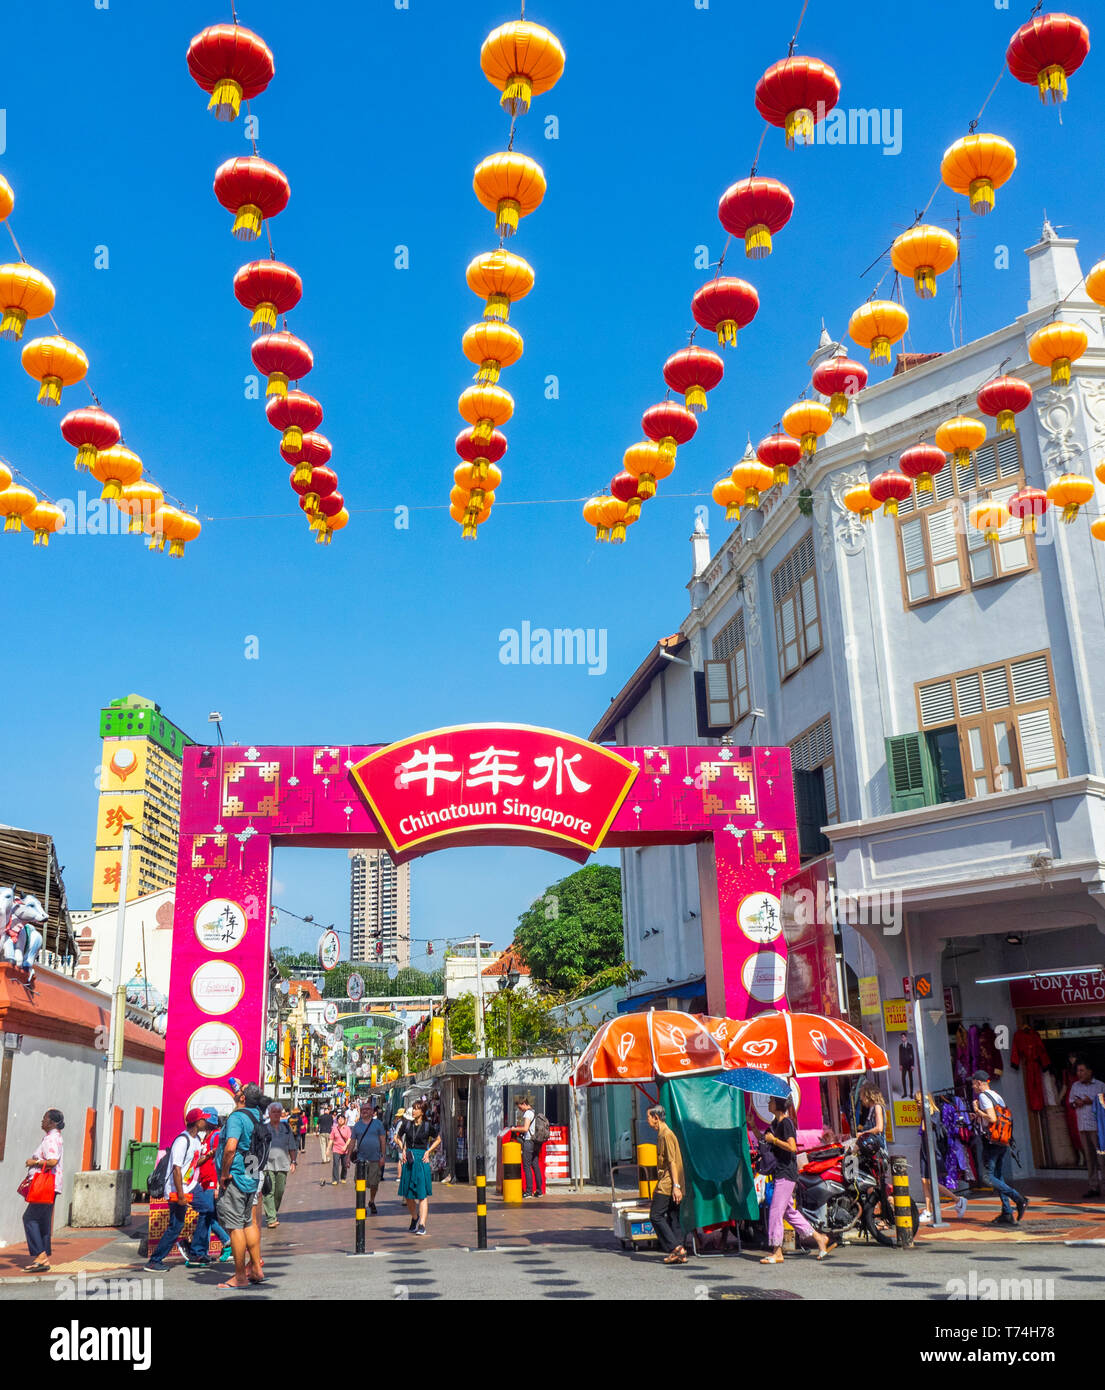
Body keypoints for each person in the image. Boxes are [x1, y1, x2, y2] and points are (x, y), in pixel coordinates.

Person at [759, 1096, 832, 1264]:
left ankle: (777, 1251)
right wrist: (754, 1127)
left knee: (776, 1211)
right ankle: (819, 1238)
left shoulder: (786, 1123)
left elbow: (792, 1147)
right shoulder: (775, 1124)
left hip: (786, 1173)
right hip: (780, 1172)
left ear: (777, 1104)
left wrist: (775, 1140)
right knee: (788, 1212)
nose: (768, 1103)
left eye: (770, 1100)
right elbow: (766, 1142)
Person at [216, 1082, 266, 1288]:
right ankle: (256, 1268)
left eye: (241, 1090)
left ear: (243, 1098)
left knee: (235, 1226)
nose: (237, 1090)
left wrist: (224, 1174)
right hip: (251, 1175)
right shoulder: (256, 1115)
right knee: (248, 1223)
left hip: (235, 1176)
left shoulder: (237, 1117)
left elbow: (230, 1147)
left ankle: (240, 1276)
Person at [144, 1109, 203, 1272]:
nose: (205, 1122)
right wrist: (181, 1195)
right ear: (197, 1122)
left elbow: (191, 1165)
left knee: (207, 1209)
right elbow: (177, 1170)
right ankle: (154, 1261)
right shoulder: (182, 1141)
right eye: (203, 1119)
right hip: (177, 1190)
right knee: (175, 1226)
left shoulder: (197, 1139)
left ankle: (196, 1250)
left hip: (188, 1187)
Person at [971, 1069, 1027, 1226]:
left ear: (979, 1083)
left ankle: (1019, 1199)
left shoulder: (982, 1096)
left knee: (988, 1178)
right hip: (1003, 1139)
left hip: (991, 1141)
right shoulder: (996, 1095)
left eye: (973, 1083)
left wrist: (977, 1111)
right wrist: (978, 1116)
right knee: (998, 1176)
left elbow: (993, 1118)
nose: (973, 1086)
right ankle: (1007, 1213)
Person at [186, 1109, 233, 1266]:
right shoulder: (205, 1138)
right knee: (208, 1215)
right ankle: (226, 1243)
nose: (202, 1122)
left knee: (205, 1214)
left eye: (205, 1119)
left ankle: (200, 1250)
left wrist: (219, 1184)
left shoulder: (216, 1136)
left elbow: (222, 1159)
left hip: (212, 1182)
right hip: (204, 1181)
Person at [645, 1104, 690, 1265]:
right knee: (672, 1216)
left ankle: (676, 1248)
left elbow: (672, 1162)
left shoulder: (666, 1135)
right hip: (671, 1181)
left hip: (668, 1182)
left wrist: (676, 1187)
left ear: (656, 1118)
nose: (647, 1121)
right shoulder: (662, 1134)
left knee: (655, 1215)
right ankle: (679, 1251)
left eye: (648, 1117)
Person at [22, 1108, 64, 1273]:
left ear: (52, 1122)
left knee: (29, 1218)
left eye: (44, 1118)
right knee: (43, 1220)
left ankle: (40, 1256)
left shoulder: (50, 1139)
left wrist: (34, 1162)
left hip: (45, 1184)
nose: (42, 1121)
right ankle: (43, 1255)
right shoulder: (57, 1137)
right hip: (52, 1185)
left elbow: (52, 1161)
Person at [915, 1092, 967, 1223]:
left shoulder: (934, 1114)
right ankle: (928, 1210)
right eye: (916, 1101)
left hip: (932, 1149)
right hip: (925, 1148)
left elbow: (926, 1128)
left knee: (932, 1181)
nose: (917, 1104)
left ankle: (958, 1200)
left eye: (919, 1101)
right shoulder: (924, 1114)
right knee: (924, 1180)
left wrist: (925, 1110)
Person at [397, 1098, 440, 1235]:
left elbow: (438, 1139)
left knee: (422, 1195)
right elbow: (397, 1137)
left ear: (422, 1111)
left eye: (416, 1108)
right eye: (413, 1108)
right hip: (409, 1159)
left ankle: (422, 1224)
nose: (414, 1111)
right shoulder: (406, 1125)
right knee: (408, 1195)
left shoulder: (428, 1126)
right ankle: (415, 1218)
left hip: (421, 1159)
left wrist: (428, 1151)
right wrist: (403, 1149)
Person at [1066, 1058, 1105, 1199]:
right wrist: (1077, 1103)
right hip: (1083, 1127)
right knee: (1090, 1159)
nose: (1079, 1073)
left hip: (1098, 1128)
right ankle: (1093, 1187)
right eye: (1078, 1071)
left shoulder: (1100, 1086)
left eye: (1082, 1070)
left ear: (1090, 1071)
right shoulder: (1075, 1086)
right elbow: (1070, 1102)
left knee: (1102, 1159)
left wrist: (1092, 1101)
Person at [262, 1101, 298, 1228]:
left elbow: (292, 1147)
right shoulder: (264, 1129)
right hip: (267, 1165)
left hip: (283, 1164)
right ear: (269, 1114)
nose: (276, 1114)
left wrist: (293, 1161)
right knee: (268, 1192)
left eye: (278, 1112)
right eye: (274, 1112)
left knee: (279, 1192)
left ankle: (272, 1211)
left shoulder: (286, 1128)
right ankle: (271, 1218)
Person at [349, 1101, 386, 1215]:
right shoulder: (357, 1125)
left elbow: (383, 1141)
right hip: (361, 1160)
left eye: (367, 1109)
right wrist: (347, 1157)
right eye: (363, 1109)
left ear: (372, 1112)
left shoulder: (378, 1124)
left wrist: (383, 1156)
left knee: (374, 1183)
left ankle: (372, 1201)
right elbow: (352, 1142)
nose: (365, 1111)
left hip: (375, 1158)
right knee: (361, 1184)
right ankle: (362, 1205)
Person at [514, 1096, 544, 1198]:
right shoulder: (534, 1112)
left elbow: (525, 1129)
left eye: (520, 1107)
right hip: (536, 1142)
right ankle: (539, 1191)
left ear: (524, 1104)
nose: (519, 1109)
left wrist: (514, 1129)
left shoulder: (527, 1113)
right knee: (535, 1165)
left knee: (526, 1166)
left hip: (529, 1142)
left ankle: (528, 1191)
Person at [854, 1083, 887, 1149]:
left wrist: (863, 1134)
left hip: (877, 1148)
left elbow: (879, 1128)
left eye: (862, 1095)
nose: (860, 1098)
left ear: (867, 1095)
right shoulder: (871, 1109)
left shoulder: (877, 1107)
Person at [330, 1110, 352, 1185]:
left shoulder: (347, 1128)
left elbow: (349, 1138)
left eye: (342, 1119)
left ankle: (343, 1177)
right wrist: (327, 1149)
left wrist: (345, 1146)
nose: (340, 1120)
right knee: (336, 1164)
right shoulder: (334, 1129)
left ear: (345, 1120)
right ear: (337, 1120)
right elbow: (331, 1139)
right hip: (336, 1149)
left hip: (345, 1150)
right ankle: (335, 1179)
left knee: (344, 1165)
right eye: (339, 1119)